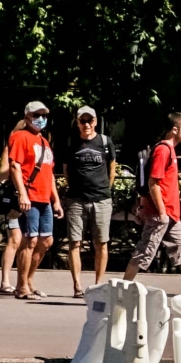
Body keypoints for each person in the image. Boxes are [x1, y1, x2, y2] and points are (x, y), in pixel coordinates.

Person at [127, 112, 181, 291]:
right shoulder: (163, 150)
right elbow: (153, 182)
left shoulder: (171, 151)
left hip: (170, 214)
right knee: (144, 252)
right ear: (175, 129)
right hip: (161, 213)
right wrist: (161, 212)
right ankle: (122, 289)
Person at [1, 101, 58, 298]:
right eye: (36, 115)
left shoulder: (44, 141)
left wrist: (55, 200)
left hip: (44, 198)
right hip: (30, 196)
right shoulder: (19, 137)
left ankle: (28, 279)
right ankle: (21, 286)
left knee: (46, 241)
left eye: (44, 115)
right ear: (27, 117)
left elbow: (49, 172)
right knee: (29, 240)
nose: (41, 119)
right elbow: (15, 166)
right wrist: (22, 193)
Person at [62, 106, 117, 296]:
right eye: (82, 121)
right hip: (76, 199)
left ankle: (99, 284)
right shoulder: (71, 142)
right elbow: (66, 170)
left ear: (95, 121)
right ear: (77, 122)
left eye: (89, 120)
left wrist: (105, 189)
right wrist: (74, 188)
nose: (86, 124)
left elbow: (112, 168)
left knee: (101, 242)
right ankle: (77, 285)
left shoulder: (104, 141)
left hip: (101, 198)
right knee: (74, 243)